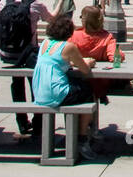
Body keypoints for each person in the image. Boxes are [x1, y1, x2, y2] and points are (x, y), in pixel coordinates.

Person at [32, 12, 98, 159]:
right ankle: (82, 137)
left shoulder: (44, 44)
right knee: (88, 91)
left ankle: (75, 133)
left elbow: (57, 61)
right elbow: (85, 70)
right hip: (56, 93)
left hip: (39, 92)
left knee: (77, 89)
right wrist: (88, 62)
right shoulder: (68, 46)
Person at [0, 0, 55, 136]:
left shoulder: (4, 3)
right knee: (36, 85)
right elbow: (51, 19)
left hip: (8, 53)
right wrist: (63, 1)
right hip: (28, 53)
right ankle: (38, 122)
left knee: (16, 85)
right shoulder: (35, 4)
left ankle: (21, 121)